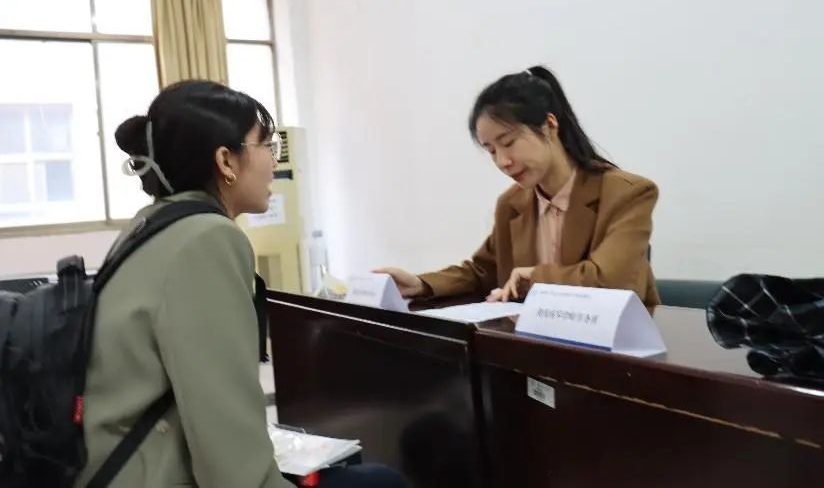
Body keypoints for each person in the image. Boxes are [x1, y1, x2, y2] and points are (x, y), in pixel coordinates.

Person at [77, 81, 405, 488]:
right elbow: (228, 445)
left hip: (113, 469)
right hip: (150, 475)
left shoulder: (149, 225)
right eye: (267, 145)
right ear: (226, 160)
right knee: (379, 482)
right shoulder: (207, 238)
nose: (273, 162)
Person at [377, 66, 660, 308]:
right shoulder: (512, 204)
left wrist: (534, 279)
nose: (503, 161)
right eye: (491, 151)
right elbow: (482, 272)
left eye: (508, 142)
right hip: (537, 344)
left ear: (549, 125)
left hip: (620, 348)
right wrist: (421, 284)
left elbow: (611, 282)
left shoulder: (627, 193)